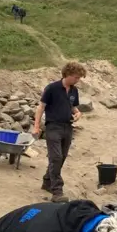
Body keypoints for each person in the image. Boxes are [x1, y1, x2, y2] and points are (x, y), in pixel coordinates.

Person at [33, 62, 85, 203]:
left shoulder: (74, 91)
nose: (77, 80)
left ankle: (47, 181)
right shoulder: (52, 88)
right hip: (53, 126)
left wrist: (78, 113)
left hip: (67, 127)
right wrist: (36, 126)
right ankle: (57, 191)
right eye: (76, 77)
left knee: (61, 157)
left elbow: (73, 107)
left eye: (79, 78)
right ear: (67, 74)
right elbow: (41, 107)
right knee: (55, 157)